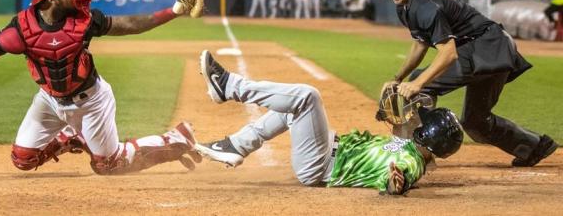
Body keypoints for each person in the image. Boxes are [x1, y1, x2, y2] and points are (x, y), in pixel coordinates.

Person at [0, 0, 205, 175]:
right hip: (49, 101)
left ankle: (175, 138)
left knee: (108, 166)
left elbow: (132, 23)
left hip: (91, 102)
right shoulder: (21, 29)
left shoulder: (85, 21)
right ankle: (71, 136)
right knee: (23, 159)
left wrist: (175, 10)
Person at [194, 50, 464, 195]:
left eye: (422, 122)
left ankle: (230, 86)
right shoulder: (409, 146)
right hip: (327, 152)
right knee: (292, 108)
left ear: (429, 133)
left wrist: (397, 183)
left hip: (320, 166)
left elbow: (401, 177)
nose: (418, 121)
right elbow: (402, 126)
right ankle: (236, 146)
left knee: (307, 97)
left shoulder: (412, 162)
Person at [378, 0, 558, 167]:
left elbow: (448, 53)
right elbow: (421, 44)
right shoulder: (406, 6)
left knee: (420, 86)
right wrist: (397, 78)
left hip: (486, 47)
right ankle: (534, 147)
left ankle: (414, 155)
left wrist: (417, 83)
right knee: (475, 122)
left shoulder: (427, 5)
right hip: (490, 49)